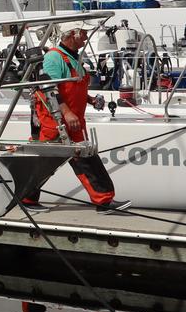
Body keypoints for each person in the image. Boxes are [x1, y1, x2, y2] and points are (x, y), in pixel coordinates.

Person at [24, 27, 131, 215]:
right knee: (43, 161)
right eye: (82, 32)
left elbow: (73, 88)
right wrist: (66, 113)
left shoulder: (72, 57)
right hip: (55, 121)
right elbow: (50, 89)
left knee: (85, 157)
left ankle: (104, 200)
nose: (86, 36)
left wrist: (90, 100)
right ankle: (27, 197)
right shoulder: (54, 57)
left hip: (72, 120)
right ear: (70, 35)